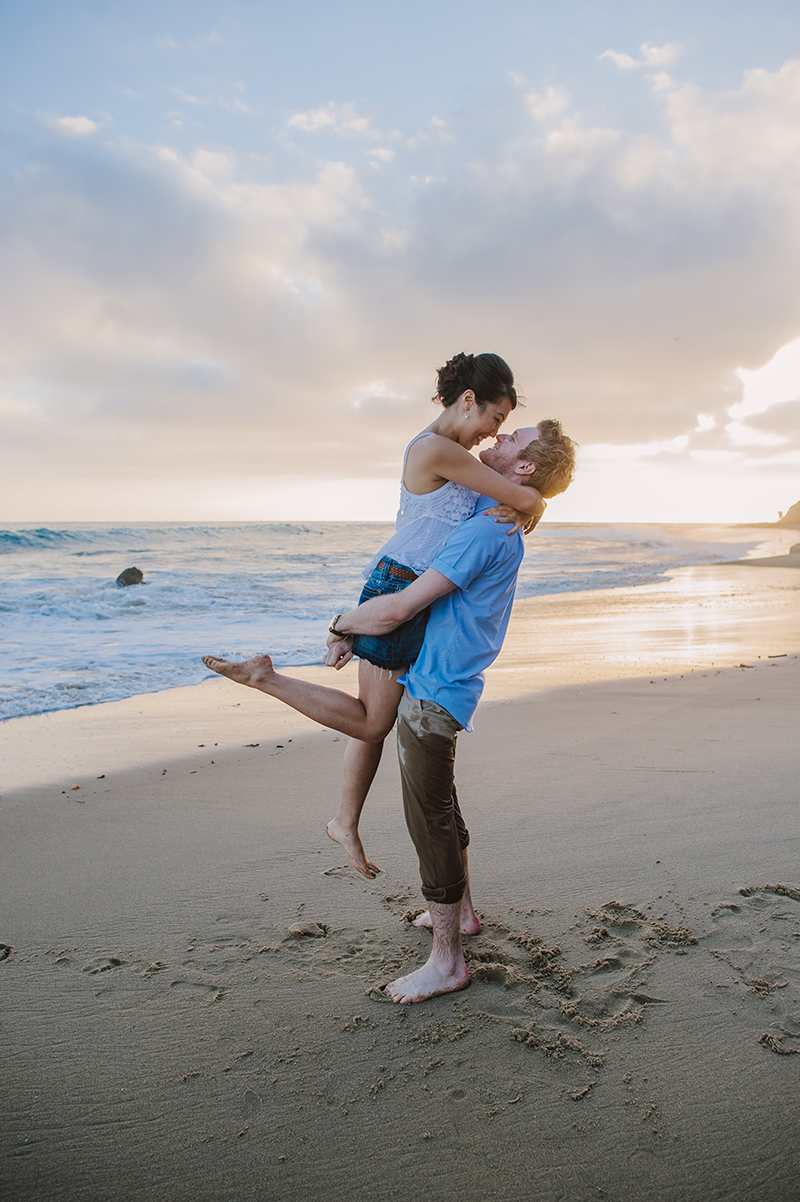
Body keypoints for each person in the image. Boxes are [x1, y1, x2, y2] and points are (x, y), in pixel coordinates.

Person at [203, 417, 577, 1004]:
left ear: (525, 466)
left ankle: (448, 961)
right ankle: (466, 917)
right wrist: (534, 499)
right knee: (444, 809)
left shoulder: (487, 531)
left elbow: (400, 608)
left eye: (510, 438)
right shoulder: (497, 514)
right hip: (443, 683)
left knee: (430, 823)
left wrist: (341, 625)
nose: (495, 442)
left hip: (434, 693)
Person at [316, 352, 547, 883]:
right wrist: (533, 500)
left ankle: (345, 819)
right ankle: (341, 815)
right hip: (399, 584)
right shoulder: (437, 449)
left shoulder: (456, 449)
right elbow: (523, 499)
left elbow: (513, 501)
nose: (495, 434)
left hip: (412, 586)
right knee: (373, 719)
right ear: (470, 400)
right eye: (496, 418)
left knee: (377, 717)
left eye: (503, 428)